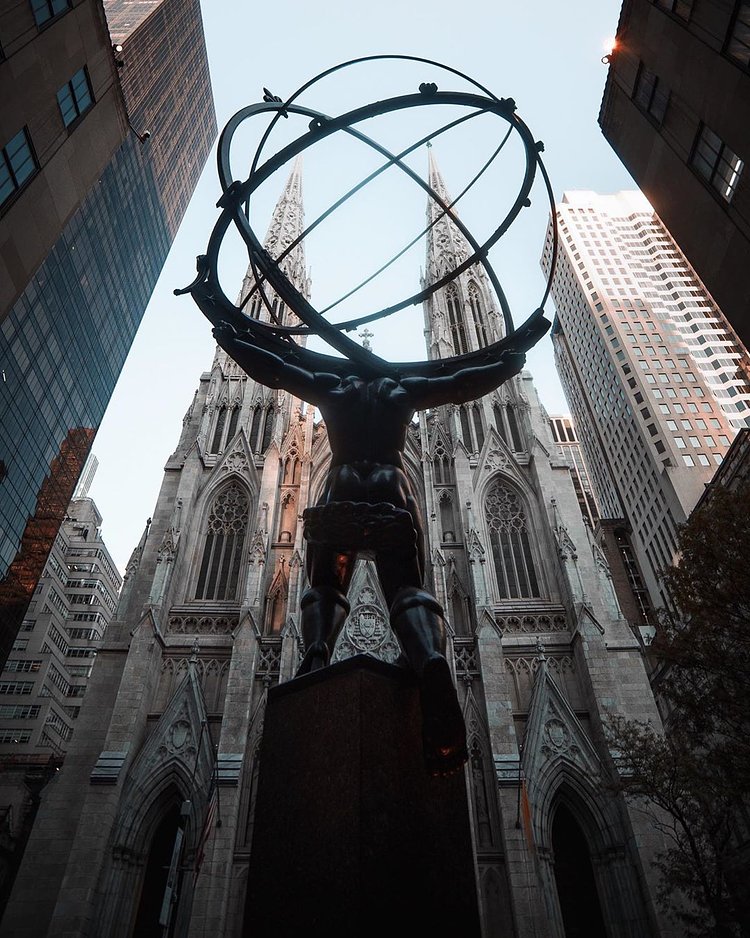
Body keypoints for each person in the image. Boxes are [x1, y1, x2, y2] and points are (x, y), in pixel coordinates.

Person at [214, 322, 525, 774]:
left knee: (324, 585)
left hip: (340, 488)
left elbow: (275, 370)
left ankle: (318, 648)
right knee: (407, 589)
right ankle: (430, 657)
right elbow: (460, 382)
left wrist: (230, 339)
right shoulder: (399, 389)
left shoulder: (331, 386)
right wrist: (508, 360)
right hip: (389, 489)